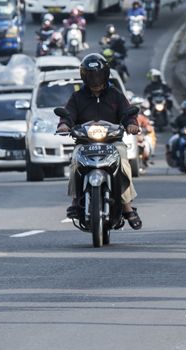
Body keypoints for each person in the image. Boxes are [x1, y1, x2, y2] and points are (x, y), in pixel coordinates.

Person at [56, 54, 143, 230]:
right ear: (84, 76)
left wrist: (132, 124)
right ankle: (75, 200)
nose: (95, 80)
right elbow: (68, 114)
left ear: (105, 74)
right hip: (85, 143)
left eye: (98, 75)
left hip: (113, 143)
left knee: (124, 163)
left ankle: (127, 206)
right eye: (90, 75)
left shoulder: (115, 95)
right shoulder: (77, 97)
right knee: (74, 162)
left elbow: (128, 113)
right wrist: (64, 125)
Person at [130, 95, 156, 167]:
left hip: (140, 136)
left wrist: (147, 129)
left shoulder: (142, 117)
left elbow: (148, 126)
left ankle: (146, 159)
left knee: (147, 145)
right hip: (130, 137)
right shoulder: (126, 116)